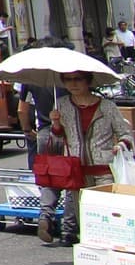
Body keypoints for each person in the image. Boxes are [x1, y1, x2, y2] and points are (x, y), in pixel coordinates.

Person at [41, 70, 130, 246]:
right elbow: (57, 142)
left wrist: (120, 145)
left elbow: (125, 133)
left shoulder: (107, 106)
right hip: (76, 170)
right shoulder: (61, 105)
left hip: (103, 170)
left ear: (88, 81)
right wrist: (56, 125)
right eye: (68, 80)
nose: (73, 84)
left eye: (78, 79)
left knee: (105, 215)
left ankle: (109, 250)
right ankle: (90, 255)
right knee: (85, 219)